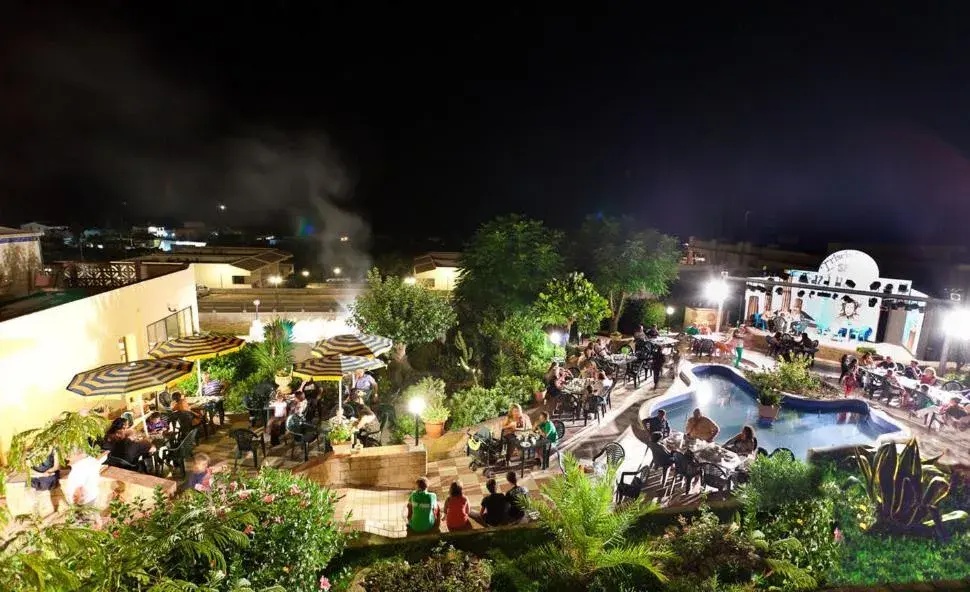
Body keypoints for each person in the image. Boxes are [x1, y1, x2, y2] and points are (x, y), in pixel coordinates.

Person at [63, 449, 107, 525]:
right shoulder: (92, 460)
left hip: (83, 501)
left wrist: (76, 503)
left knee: (82, 522)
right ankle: (98, 522)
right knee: (92, 510)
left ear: (78, 455)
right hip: (92, 495)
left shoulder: (79, 469)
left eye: (69, 455)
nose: (67, 458)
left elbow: (79, 491)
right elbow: (102, 458)